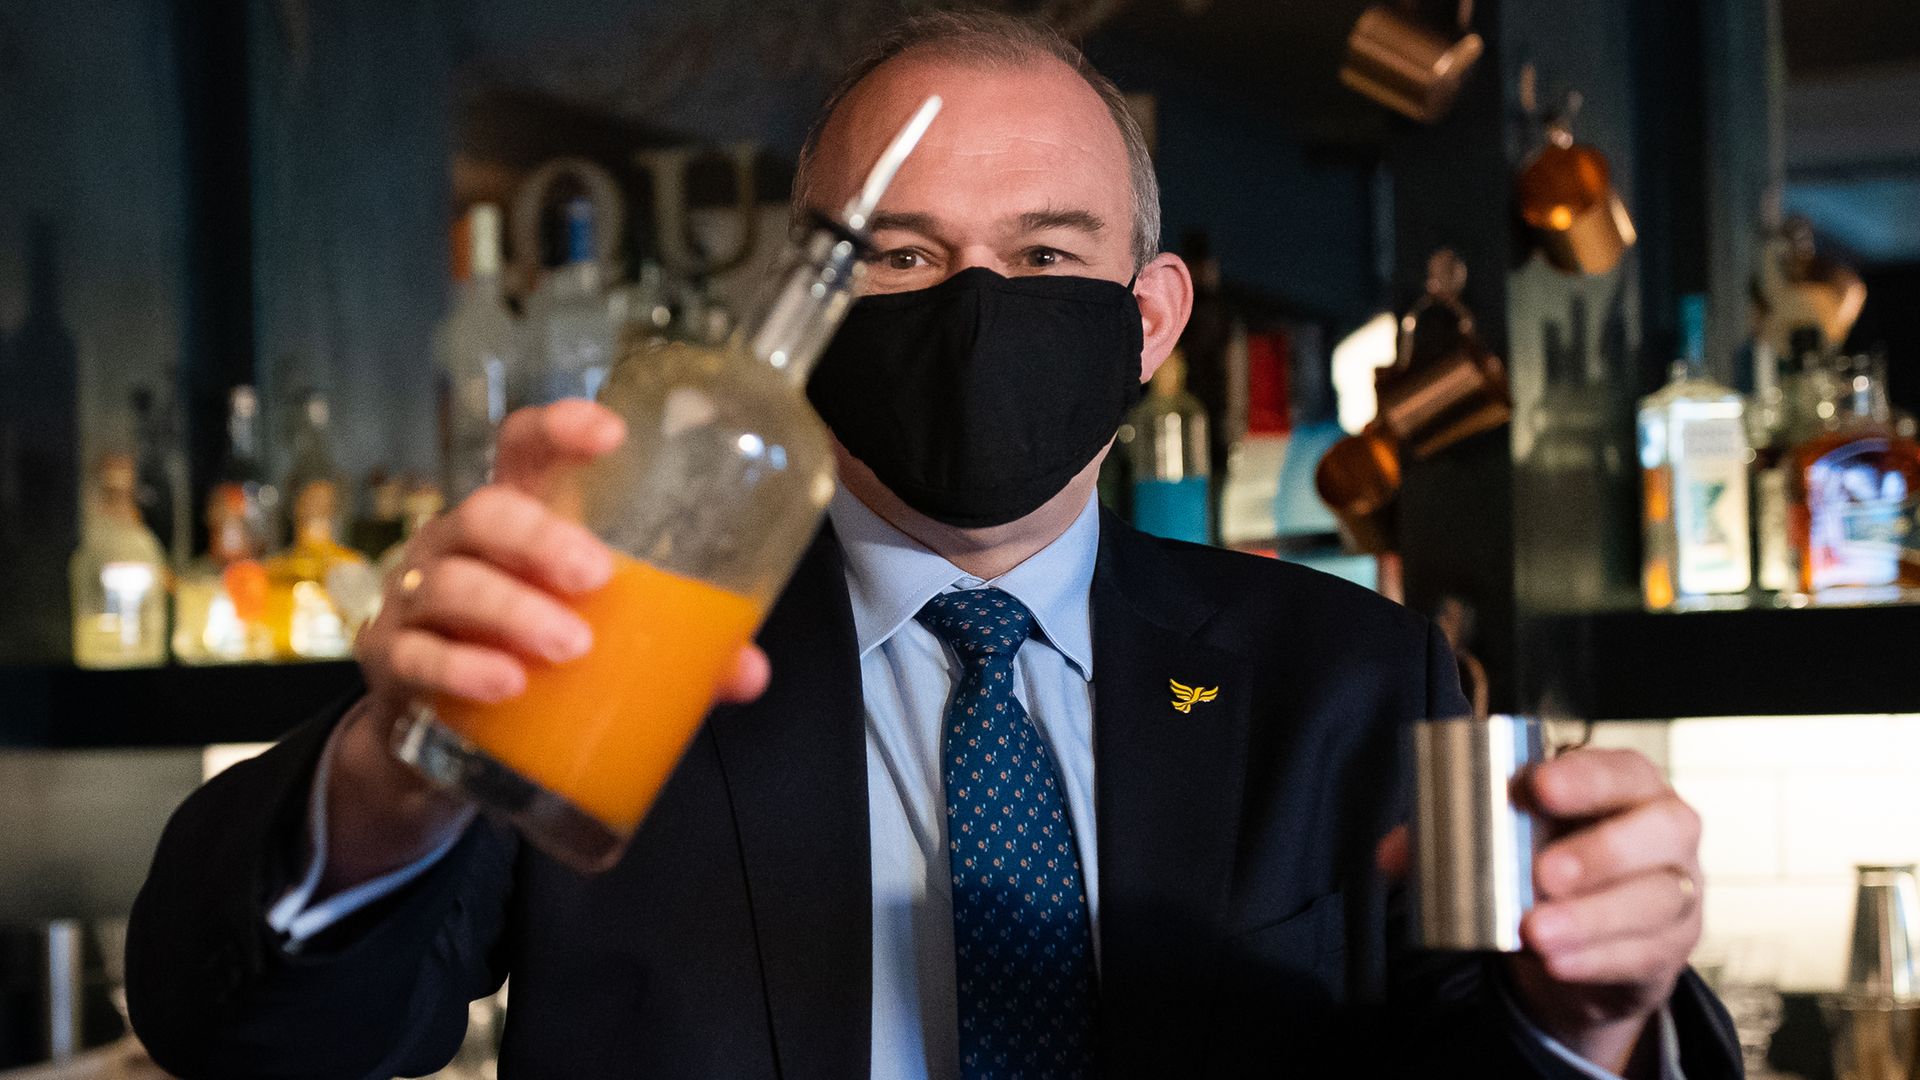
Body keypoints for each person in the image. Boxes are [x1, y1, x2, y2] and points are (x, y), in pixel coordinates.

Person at [127, 12, 1736, 1079]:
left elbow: (1511, 1049)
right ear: (812, 305)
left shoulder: (1347, 677)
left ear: (1151, 316)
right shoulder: (628, 650)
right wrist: (388, 780)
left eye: (1045, 250)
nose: (975, 309)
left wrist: (1593, 1013)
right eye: (900, 255)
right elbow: (252, 1035)